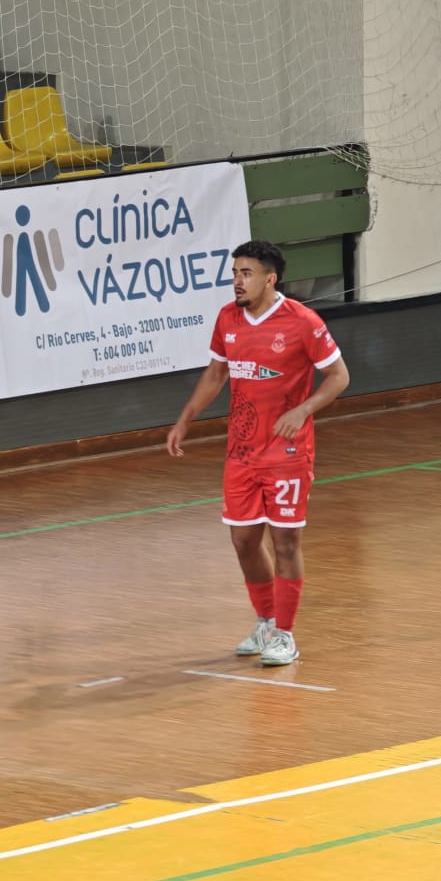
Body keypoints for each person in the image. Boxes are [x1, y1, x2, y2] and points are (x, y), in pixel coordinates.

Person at [165, 240, 350, 668]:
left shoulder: (302, 321)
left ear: (271, 278)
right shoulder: (228, 319)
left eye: (245, 273)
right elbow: (216, 374)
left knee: (285, 542)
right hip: (242, 452)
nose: (236, 282)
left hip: (287, 451)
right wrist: (185, 420)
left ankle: (285, 634)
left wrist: (303, 410)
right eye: (234, 273)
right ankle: (265, 621)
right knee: (243, 539)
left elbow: (339, 376)